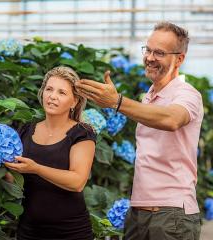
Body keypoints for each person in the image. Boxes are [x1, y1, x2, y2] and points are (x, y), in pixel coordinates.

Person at [76, 22, 204, 240]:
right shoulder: (149, 96)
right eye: (148, 50)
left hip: (171, 216)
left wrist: (116, 102)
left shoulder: (187, 94)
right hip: (139, 213)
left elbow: (172, 119)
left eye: (160, 53)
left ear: (179, 59)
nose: (150, 57)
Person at [5, 66, 96, 240]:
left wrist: (36, 168)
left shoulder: (82, 133)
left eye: (62, 93)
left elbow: (77, 182)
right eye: (49, 89)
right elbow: (16, 181)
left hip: (71, 233)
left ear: (74, 101)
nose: (53, 96)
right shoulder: (25, 130)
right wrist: (1, 167)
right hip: (29, 231)